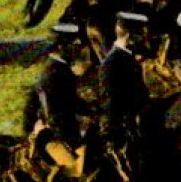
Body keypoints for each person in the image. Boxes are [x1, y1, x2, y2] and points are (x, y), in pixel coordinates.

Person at [24, 23, 89, 159]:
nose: (78, 48)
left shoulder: (62, 69)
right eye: (74, 44)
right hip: (56, 138)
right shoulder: (53, 74)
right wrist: (76, 141)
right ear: (60, 47)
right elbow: (54, 117)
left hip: (68, 129)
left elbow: (74, 102)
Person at [99, 11, 151, 152]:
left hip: (143, 113)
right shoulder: (110, 65)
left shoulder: (128, 53)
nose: (144, 38)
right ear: (130, 36)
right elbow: (110, 104)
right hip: (133, 126)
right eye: (141, 34)